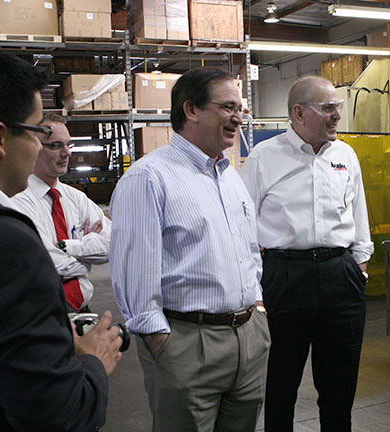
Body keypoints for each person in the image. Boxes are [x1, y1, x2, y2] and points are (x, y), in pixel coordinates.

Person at [110, 67, 270, 432]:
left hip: (247, 336)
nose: (238, 117)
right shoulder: (149, 177)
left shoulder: (230, 175)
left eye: (240, 108)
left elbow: (248, 250)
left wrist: (257, 310)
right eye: (228, 107)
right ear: (191, 110)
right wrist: (160, 342)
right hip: (187, 342)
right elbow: (134, 271)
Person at [0, 48, 121, 431]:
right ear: (0, 137)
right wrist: (93, 361)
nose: (58, 152)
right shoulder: (8, 237)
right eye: (37, 135)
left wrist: (68, 250)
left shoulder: (74, 199)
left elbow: (111, 240)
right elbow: (59, 413)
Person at [240, 75, 374, 432]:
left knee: (339, 385)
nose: (336, 116)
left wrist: (359, 265)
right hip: (285, 276)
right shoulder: (263, 158)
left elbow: (358, 213)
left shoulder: (345, 155)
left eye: (337, 108)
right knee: (281, 382)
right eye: (327, 108)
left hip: (341, 275)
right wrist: (255, 287)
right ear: (298, 113)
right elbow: (242, 226)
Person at [12, 113, 111, 313]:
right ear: (32, 147)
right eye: (56, 145)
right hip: (39, 312)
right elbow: (46, 264)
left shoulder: (75, 198)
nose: (66, 153)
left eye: (68, 145)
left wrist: (72, 247)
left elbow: (114, 243)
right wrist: (87, 260)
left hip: (81, 308)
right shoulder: (18, 200)